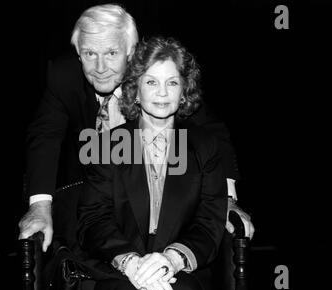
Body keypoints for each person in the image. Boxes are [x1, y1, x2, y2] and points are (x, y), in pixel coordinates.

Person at [18, 3, 254, 253]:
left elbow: (212, 131)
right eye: (89, 54)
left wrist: (226, 201)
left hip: (161, 202)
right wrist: (39, 206)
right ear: (78, 54)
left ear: (131, 52)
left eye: (111, 53)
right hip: (89, 201)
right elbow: (45, 137)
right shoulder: (61, 76)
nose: (100, 68)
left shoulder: (155, 72)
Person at [77, 36, 228, 290]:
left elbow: (209, 221)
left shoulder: (205, 146)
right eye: (151, 82)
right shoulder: (106, 145)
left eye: (172, 83)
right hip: (119, 269)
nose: (162, 93)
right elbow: (93, 218)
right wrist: (131, 263)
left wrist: (172, 259)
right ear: (135, 91)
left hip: (183, 271)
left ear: (184, 92)